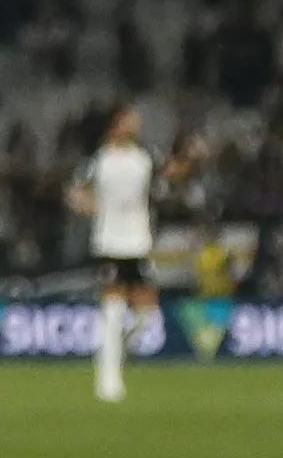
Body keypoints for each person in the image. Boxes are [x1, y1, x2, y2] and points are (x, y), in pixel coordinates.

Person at [64, 105, 196, 404]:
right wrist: (86, 204)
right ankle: (107, 380)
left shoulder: (145, 157)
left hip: (138, 241)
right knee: (112, 311)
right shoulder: (99, 160)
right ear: (115, 125)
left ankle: (118, 352)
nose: (136, 122)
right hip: (109, 241)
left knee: (146, 316)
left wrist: (188, 155)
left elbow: (173, 172)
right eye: (129, 118)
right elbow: (74, 191)